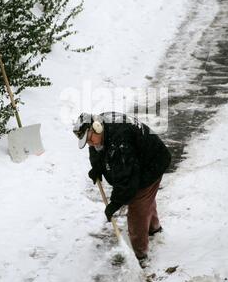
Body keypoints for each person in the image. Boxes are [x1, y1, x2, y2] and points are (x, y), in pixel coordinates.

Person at [73, 112, 172, 265]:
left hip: (153, 162)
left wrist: (114, 204)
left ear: (97, 127)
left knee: (138, 206)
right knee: (145, 199)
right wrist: (97, 168)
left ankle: (140, 256)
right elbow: (96, 150)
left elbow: (126, 180)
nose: (90, 144)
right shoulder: (99, 129)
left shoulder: (120, 141)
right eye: (87, 141)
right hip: (139, 160)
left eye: (90, 139)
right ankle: (154, 229)